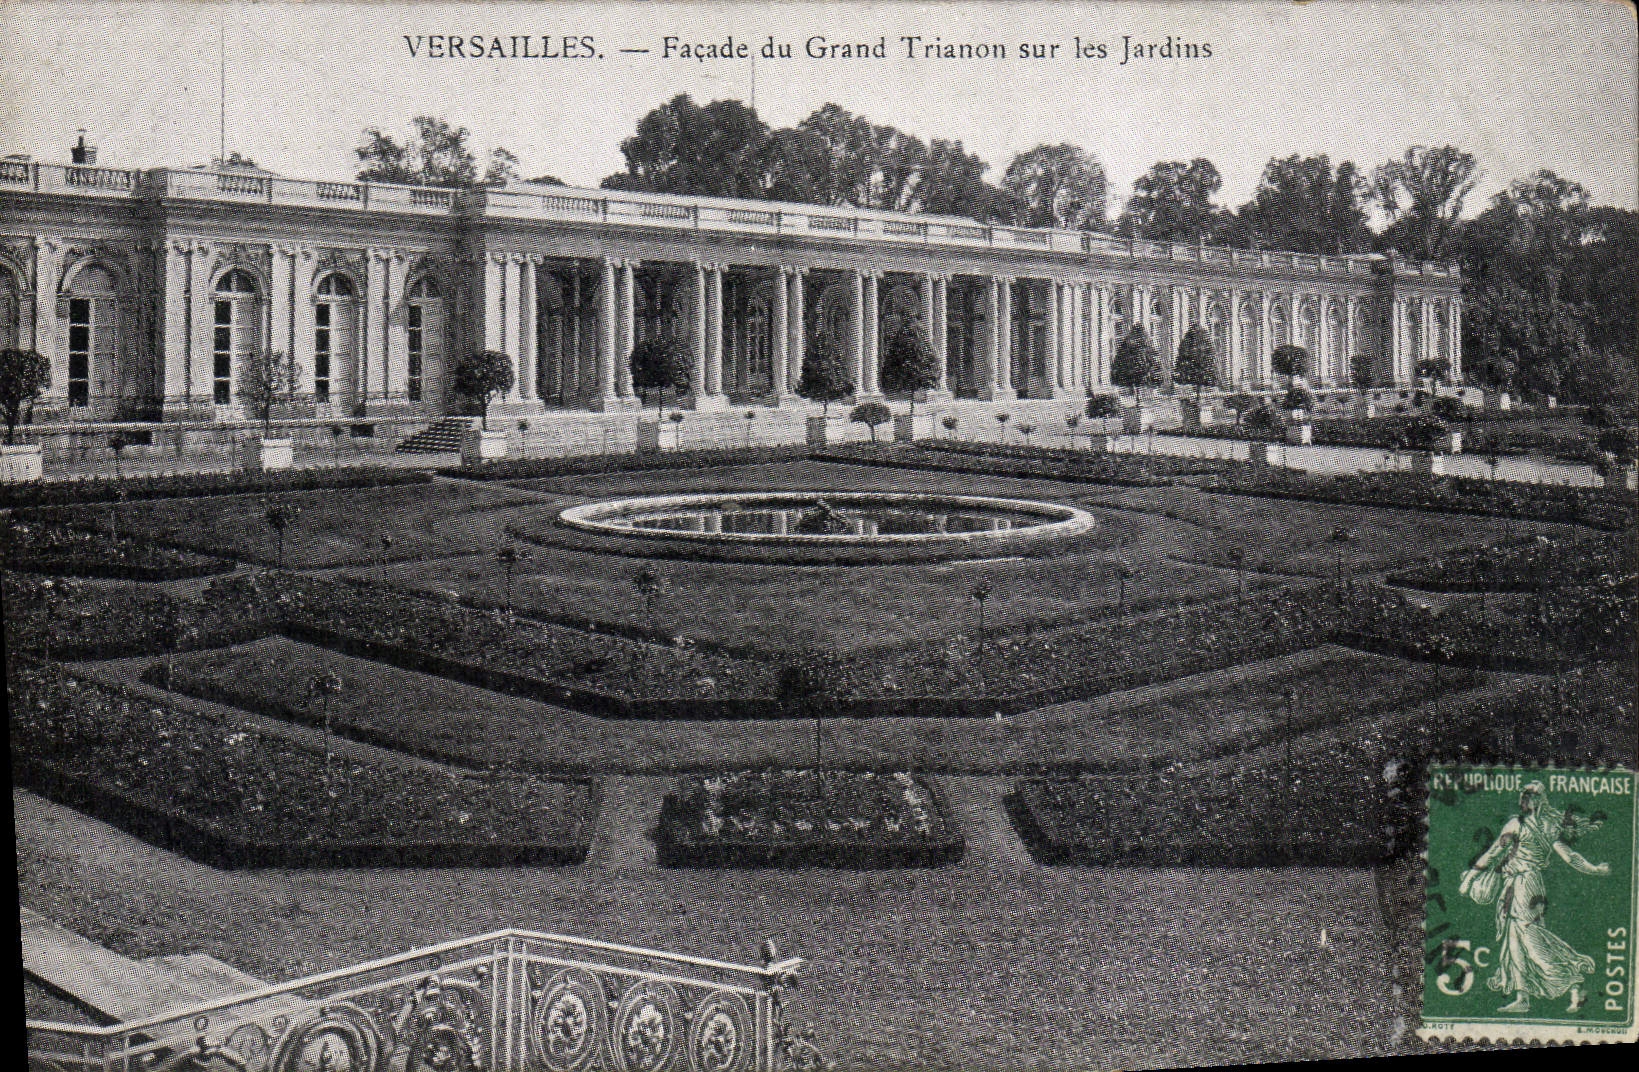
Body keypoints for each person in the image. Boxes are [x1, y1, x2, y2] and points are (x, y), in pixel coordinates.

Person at [1463, 781, 1611, 1014]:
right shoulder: (1533, 825)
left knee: (1530, 939)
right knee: (1515, 941)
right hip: (1519, 885)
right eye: (1527, 795)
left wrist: (1470, 877)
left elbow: (1568, 856)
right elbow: (1496, 851)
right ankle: (1523, 998)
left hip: (1526, 885)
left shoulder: (1532, 825)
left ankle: (1572, 976)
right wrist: (1594, 869)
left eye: (1533, 795)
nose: (1529, 799)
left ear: (1541, 799)